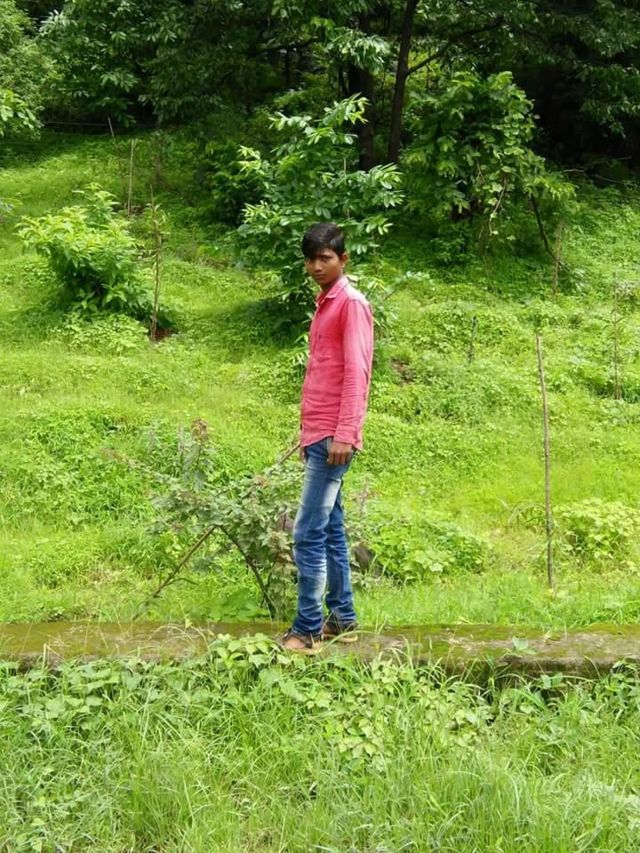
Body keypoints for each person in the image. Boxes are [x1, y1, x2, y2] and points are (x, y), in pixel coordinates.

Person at [281, 223, 374, 654]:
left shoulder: (350, 305)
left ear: (343, 259)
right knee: (332, 529)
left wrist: (345, 433)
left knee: (307, 532)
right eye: (311, 259)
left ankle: (307, 629)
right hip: (319, 433)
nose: (317, 266)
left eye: (326, 258)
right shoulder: (326, 304)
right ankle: (342, 618)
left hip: (334, 437)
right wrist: (310, 434)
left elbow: (357, 373)